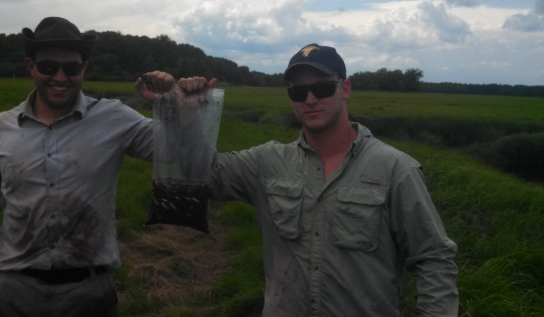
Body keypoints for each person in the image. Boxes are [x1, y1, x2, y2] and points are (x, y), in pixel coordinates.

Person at [0, 16, 197, 316]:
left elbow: (173, 149)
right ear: (31, 66)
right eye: (47, 67)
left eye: (71, 68)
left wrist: (175, 106)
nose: (60, 77)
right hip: (11, 290)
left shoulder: (114, 117)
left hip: (88, 292)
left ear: (84, 69)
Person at [183, 44, 459, 316]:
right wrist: (189, 113)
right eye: (298, 91)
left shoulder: (395, 169)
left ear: (345, 89)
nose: (311, 99)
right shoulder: (267, 162)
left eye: (323, 88)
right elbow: (205, 174)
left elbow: (433, 258)